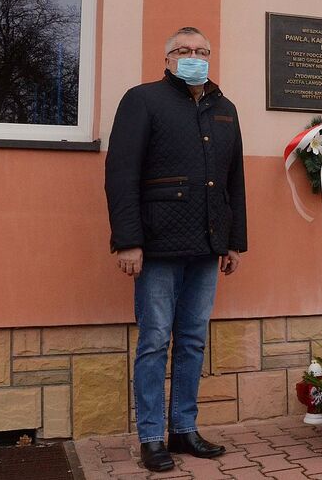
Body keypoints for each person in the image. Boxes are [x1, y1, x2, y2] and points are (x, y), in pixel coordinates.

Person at [105, 26, 247, 472]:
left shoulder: (225, 109)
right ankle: (151, 437)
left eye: (201, 51)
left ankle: (183, 429)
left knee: (192, 341)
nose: (193, 57)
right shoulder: (142, 99)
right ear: (166, 58)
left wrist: (233, 242)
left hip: (207, 246)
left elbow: (234, 182)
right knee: (153, 341)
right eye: (183, 50)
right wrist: (128, 240)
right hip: (158, 245)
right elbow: (120, 172)